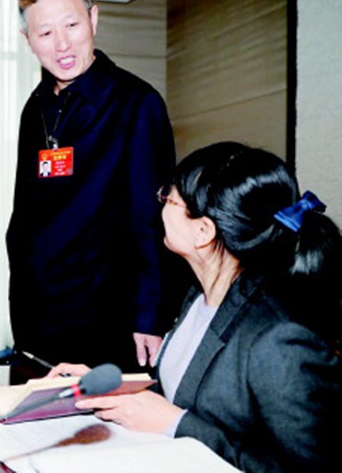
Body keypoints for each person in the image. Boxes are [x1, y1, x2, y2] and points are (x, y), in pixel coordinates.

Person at [49, 142, 341, 472]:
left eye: (168, 197)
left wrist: (177, 425)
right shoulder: (199, 295)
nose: (160, 204)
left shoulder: (280, 338)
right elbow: (186, 394)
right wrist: (118, 391)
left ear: (203, 231)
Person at [6, 0, 176, 370]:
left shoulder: (137, 103)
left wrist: (150, 314)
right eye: (45, 33)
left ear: (93, 19)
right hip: (39, 318)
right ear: (28, 40)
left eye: (72, 25)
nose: (62, 44)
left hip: (108, 320)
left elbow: (152, 218)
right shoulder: (35, 108)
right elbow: (25, 213)